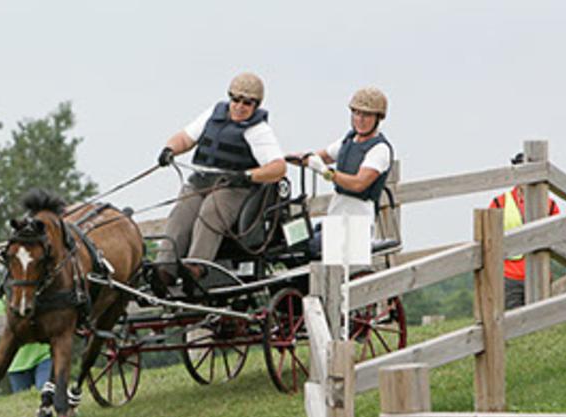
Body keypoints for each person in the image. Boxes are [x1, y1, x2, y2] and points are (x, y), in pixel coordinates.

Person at [154, 71, 286, 283]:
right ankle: (164, 269)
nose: (239, 106)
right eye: (235, 99)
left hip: (234, 187)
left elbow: (278, 168)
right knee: (182, 212)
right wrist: (170, 149)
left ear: (256, 105)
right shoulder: (212, 116)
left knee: (211, 211)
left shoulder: (258, 131)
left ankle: (196, 266)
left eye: (247, 102)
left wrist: (248, 175)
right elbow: (185, 138)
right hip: (202, 181)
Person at [288, 87, 394, 248]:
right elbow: (321, 156)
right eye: (356, 113)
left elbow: (359, 184)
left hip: (357, 223)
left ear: (378, 118)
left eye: (366, 115)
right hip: (336, 217)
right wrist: (285, 159)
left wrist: (325, 172)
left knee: (303, 247)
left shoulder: (379, 150)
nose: (360, 119)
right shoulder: (349, 140)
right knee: (290, 236)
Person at [488, 152, 560, 309]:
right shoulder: (499, 202)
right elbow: (488, 241)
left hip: (541, 273)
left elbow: (560, 237)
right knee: (514, 324)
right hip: (509, 276)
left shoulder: (550, 204)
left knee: (541, 323)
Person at [0, 297, 53, 392]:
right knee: (23, 402)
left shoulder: (40, 288)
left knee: (46, 393)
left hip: (44, 355)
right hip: (16, 362)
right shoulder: (1, 297)